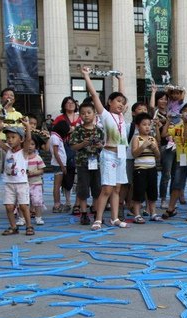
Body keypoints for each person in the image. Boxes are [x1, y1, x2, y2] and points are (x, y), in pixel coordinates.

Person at [82, 66, 130, 230]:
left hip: (122, 155)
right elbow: (94, 95)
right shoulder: (105, 114)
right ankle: (98, 219)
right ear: (109, 102)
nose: (121, 104)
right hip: (109, 154)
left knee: (117, 189)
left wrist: (121, 80)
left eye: (123, 103)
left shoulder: (122, 116)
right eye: (117, 101)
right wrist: (86, 76)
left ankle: (115, 218)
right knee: (107, 189)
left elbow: (123, 97)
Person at [0, 117, 34, 236]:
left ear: (21, 140)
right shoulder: (8, 150)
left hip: (21, 184)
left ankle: (29, 225)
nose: (9, 140)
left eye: (13, 137)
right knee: (9, 207)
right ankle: (13, 227)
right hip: (9, 183)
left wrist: (28, 127)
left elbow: (29, 139)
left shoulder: (24, 151)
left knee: (23, 206)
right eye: (8, 137)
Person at [162, 102, 187, 222]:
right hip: (181, 159)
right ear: (181, 114)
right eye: (185, 111)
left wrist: (185, 123)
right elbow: (164, 134)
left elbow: (186, 136)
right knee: (177, 185)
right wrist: (168, 121)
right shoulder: (177, 127)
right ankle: (171, 208)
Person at [0, 88, 23, 214]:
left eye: (11, 95)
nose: (9, 97)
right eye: (6, 95)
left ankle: (16, 204)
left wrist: (7, 127)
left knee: (14, 174)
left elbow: (20, 130)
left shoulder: (17, 114)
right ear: (2, 97)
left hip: (12, 147)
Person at [69, 102, 104, 225]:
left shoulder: (99, 131)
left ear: (94, 114)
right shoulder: (78, 130)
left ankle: (95, 210)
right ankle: (83, 213)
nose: (86, 115)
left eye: (89, 112)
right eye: (83, 113)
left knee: (97, 188)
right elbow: (73, 146)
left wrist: (100, 146)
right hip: (82, 163)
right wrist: (82, 144)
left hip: (97, 163)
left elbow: (104, 147)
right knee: (83, 189)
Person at [131, 112, 162, 223]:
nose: (147, 127)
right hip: (140, 169)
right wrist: (143, 146)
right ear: (138, 126)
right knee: (138, 192)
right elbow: (134, 154)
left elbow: (158, 156)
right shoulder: (136, 138)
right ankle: (137, 214)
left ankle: (153, 213)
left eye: (149, 124)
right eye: (144, 124)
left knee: (152, 192)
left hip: (152, 169)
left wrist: (154, 148)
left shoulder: (152, 139)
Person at [150, 88, 174, 209]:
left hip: (176, 144)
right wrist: (153, 92)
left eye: (166, 99)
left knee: (175, 173)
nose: (164, 101)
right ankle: (163, 198)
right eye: (161, 99)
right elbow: (150, 106)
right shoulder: (155, 113)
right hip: (164, 145)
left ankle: (174, 198)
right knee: (166, 173)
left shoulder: (172, 111)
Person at [49, 120, 69, 213]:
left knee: (58, 185)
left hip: (59, 163)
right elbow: (56, 153)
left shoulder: (55, 137)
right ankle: (56, 204)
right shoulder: (55, 137)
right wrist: (62, 166)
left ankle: (57, 203)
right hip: (58, 164)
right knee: (57, 185)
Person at [25, 137, 46, 225]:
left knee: (37, 201)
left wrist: (34, 172)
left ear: (36, 147)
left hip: (36, 183)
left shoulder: (38, 158)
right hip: (24, 183)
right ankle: (22, 218)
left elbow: (41, 169)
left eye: (32, 144)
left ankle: (38, 217)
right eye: (28, 144)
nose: (30, 146)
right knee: (23, 202)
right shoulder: (22, 157)